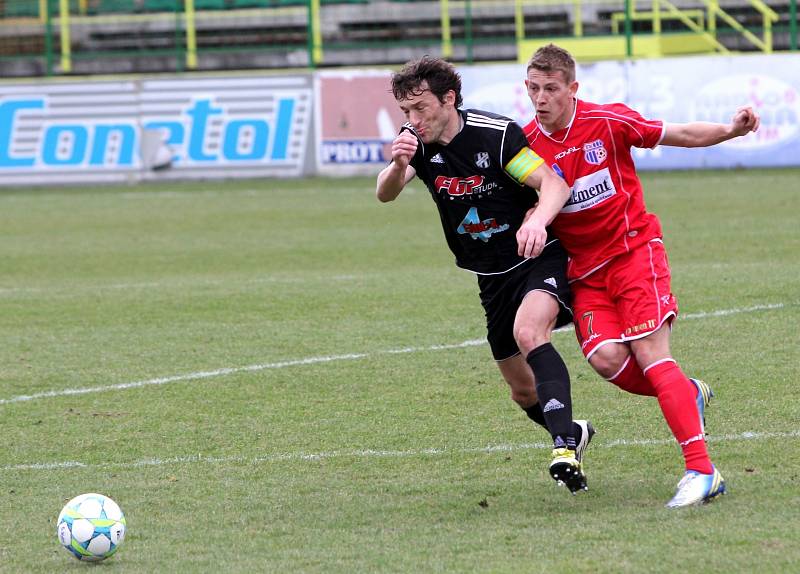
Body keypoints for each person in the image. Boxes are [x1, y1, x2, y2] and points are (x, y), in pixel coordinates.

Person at [521, 44, 760, 507]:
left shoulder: (607, 122)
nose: (541, 98)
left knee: (652, 354)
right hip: (586, 274)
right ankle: (686, 392)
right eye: (533, 89)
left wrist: (730, 131)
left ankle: (702, 469)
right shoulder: (527, 144)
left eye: (551, 88)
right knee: (608, 359)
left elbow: (681, 134)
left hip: (634, 253)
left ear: (573, 89)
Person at [376, 56, 595, 494]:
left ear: (449, 99)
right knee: (521, 392)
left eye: (420, 109)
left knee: (530, 332)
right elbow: (386, 193)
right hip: (489, 276)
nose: (413, 120)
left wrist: (535, 222)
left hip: (537, 257)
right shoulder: (417, 144)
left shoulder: (495, 138)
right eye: (406, 113)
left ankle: (565, 447)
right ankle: (576, 429)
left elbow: (552, 184)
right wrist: (399, 166)